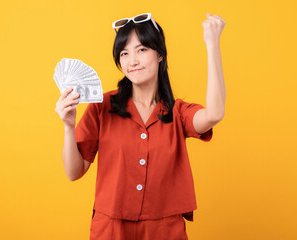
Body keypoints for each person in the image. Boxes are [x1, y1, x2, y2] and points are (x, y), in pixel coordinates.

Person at [55, 12, 226, 240]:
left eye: (142, 50)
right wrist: (68, 126)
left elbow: (214, 114)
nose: (132, 61)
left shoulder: (177, 112)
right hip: (111, 229)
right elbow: (73, 172)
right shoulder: (102, 107)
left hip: (164, 230)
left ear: (160, 55)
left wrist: (212, 44)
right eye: (124, 53)